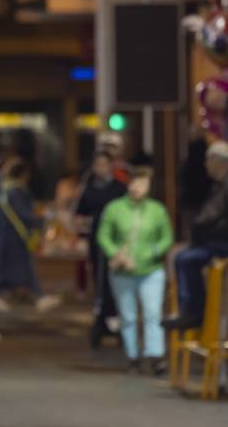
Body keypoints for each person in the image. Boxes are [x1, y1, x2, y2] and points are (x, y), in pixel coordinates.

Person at [97, 166, 173, 374]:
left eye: (143, 183)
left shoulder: (157, 210)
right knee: (128, 315)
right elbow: (103, 235)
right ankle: (133, 356)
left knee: (152, 313)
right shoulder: (115, 209)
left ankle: (156, 355)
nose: (138, 187)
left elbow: (166, 236)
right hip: (123, 271)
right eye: (135, 182)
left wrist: (152, 252)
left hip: (151, 270)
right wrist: (115, 253)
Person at [165, 141, 228, 331]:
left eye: (209, 161)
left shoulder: (225, 185)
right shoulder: (218, 185)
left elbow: (208, 216)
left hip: (221, 243)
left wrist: (196, 232)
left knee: (185, 259)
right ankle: (191, 309)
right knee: (182, 256)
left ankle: (193, 310)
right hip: (216, 240)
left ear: (219, 162)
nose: (206, 166)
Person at [76, 152, 128, 348]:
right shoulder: (89, 189)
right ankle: (103, 315)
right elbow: (80, 214)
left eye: (104, 164)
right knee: (100, 279)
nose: (100, 168)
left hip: (118, 240)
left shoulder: (119, 188)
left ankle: (117, 317)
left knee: (117, 279)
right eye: (97, 164)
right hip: (97, 242)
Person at [0, 158, 42, 300]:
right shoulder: (17, 191)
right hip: (17, 236)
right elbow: (24, 214)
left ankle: (9, 292)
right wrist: (40, 222)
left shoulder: (3, 189)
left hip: (3, 234)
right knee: (19, 268)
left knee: (7, 266)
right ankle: (22, 293)